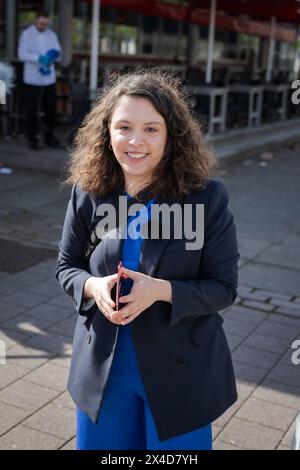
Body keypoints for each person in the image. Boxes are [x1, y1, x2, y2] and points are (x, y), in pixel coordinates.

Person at [56, 70, 240, 450]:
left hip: (179, 373)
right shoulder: (87, 193)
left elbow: (224, 288)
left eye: (151, 129)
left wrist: (160, 291)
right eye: (124, 127)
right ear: (107, 132)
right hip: (103, 372)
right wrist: (92, 285)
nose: (135, 141)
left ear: (171, 135)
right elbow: (66, 266)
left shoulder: (207, 199)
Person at [18, 9, 61, 150]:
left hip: (49, 78)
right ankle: (32, 140)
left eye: (45, 24)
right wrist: (39, 58)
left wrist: (53, 55)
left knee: (50, 110)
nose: (43, 26)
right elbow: (22, 54)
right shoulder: (27, 34)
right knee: (32, 110)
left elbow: (59, 54)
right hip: (32, 79)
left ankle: (49, 138)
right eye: (41, 23)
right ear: (36, 20)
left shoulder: (51, 34)